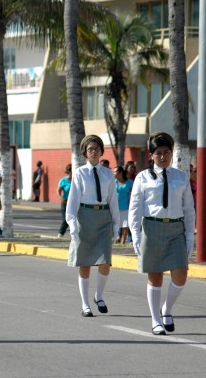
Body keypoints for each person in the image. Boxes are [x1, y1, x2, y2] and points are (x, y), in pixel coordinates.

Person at [128, 132, 195, 335]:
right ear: (151, 155)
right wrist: (136, 235)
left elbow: (189, 210)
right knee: (155, 277)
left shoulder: (181, 177)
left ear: (172, 153)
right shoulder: (143, 177)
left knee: (181, 275)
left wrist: (190, 237)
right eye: (159, 153)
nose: (163, 156)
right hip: (152, 228)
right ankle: (156, 320)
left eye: (167, 152)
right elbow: (135, 208)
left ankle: (167, 309)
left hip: (176, 229)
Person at [66, 135, 120, 318]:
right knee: (85, 263)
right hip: (85, 217)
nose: (94, 152)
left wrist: (117, 224)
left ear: (101, 152)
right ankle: (85, 304)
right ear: (85, 153)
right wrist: (72, 224)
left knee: (105, 262)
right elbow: (72, 201)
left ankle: (99, 295)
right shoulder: (80, 173)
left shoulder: (107, 174)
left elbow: (113, 200)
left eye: (97, 148)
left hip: (103, 218)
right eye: (90, 149)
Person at [113, 165, 133, 244]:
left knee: (125, 226)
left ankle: (123, 242)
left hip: (126, 207)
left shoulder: (129, 182)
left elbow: (134, 193)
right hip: (115, 207)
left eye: (115, 171)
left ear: (121, 173)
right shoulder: (113, 182)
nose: (114, 173)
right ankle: (115, 239)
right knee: (115, 224)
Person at [57, 164, 72, 238]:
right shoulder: (64, 180)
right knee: (66, 219)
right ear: (69, 172)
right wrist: (61, 198)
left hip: (73, 202)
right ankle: (60, 234)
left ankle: (74, 234)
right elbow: (59, 191)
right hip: (65, 202)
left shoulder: (76, 180)